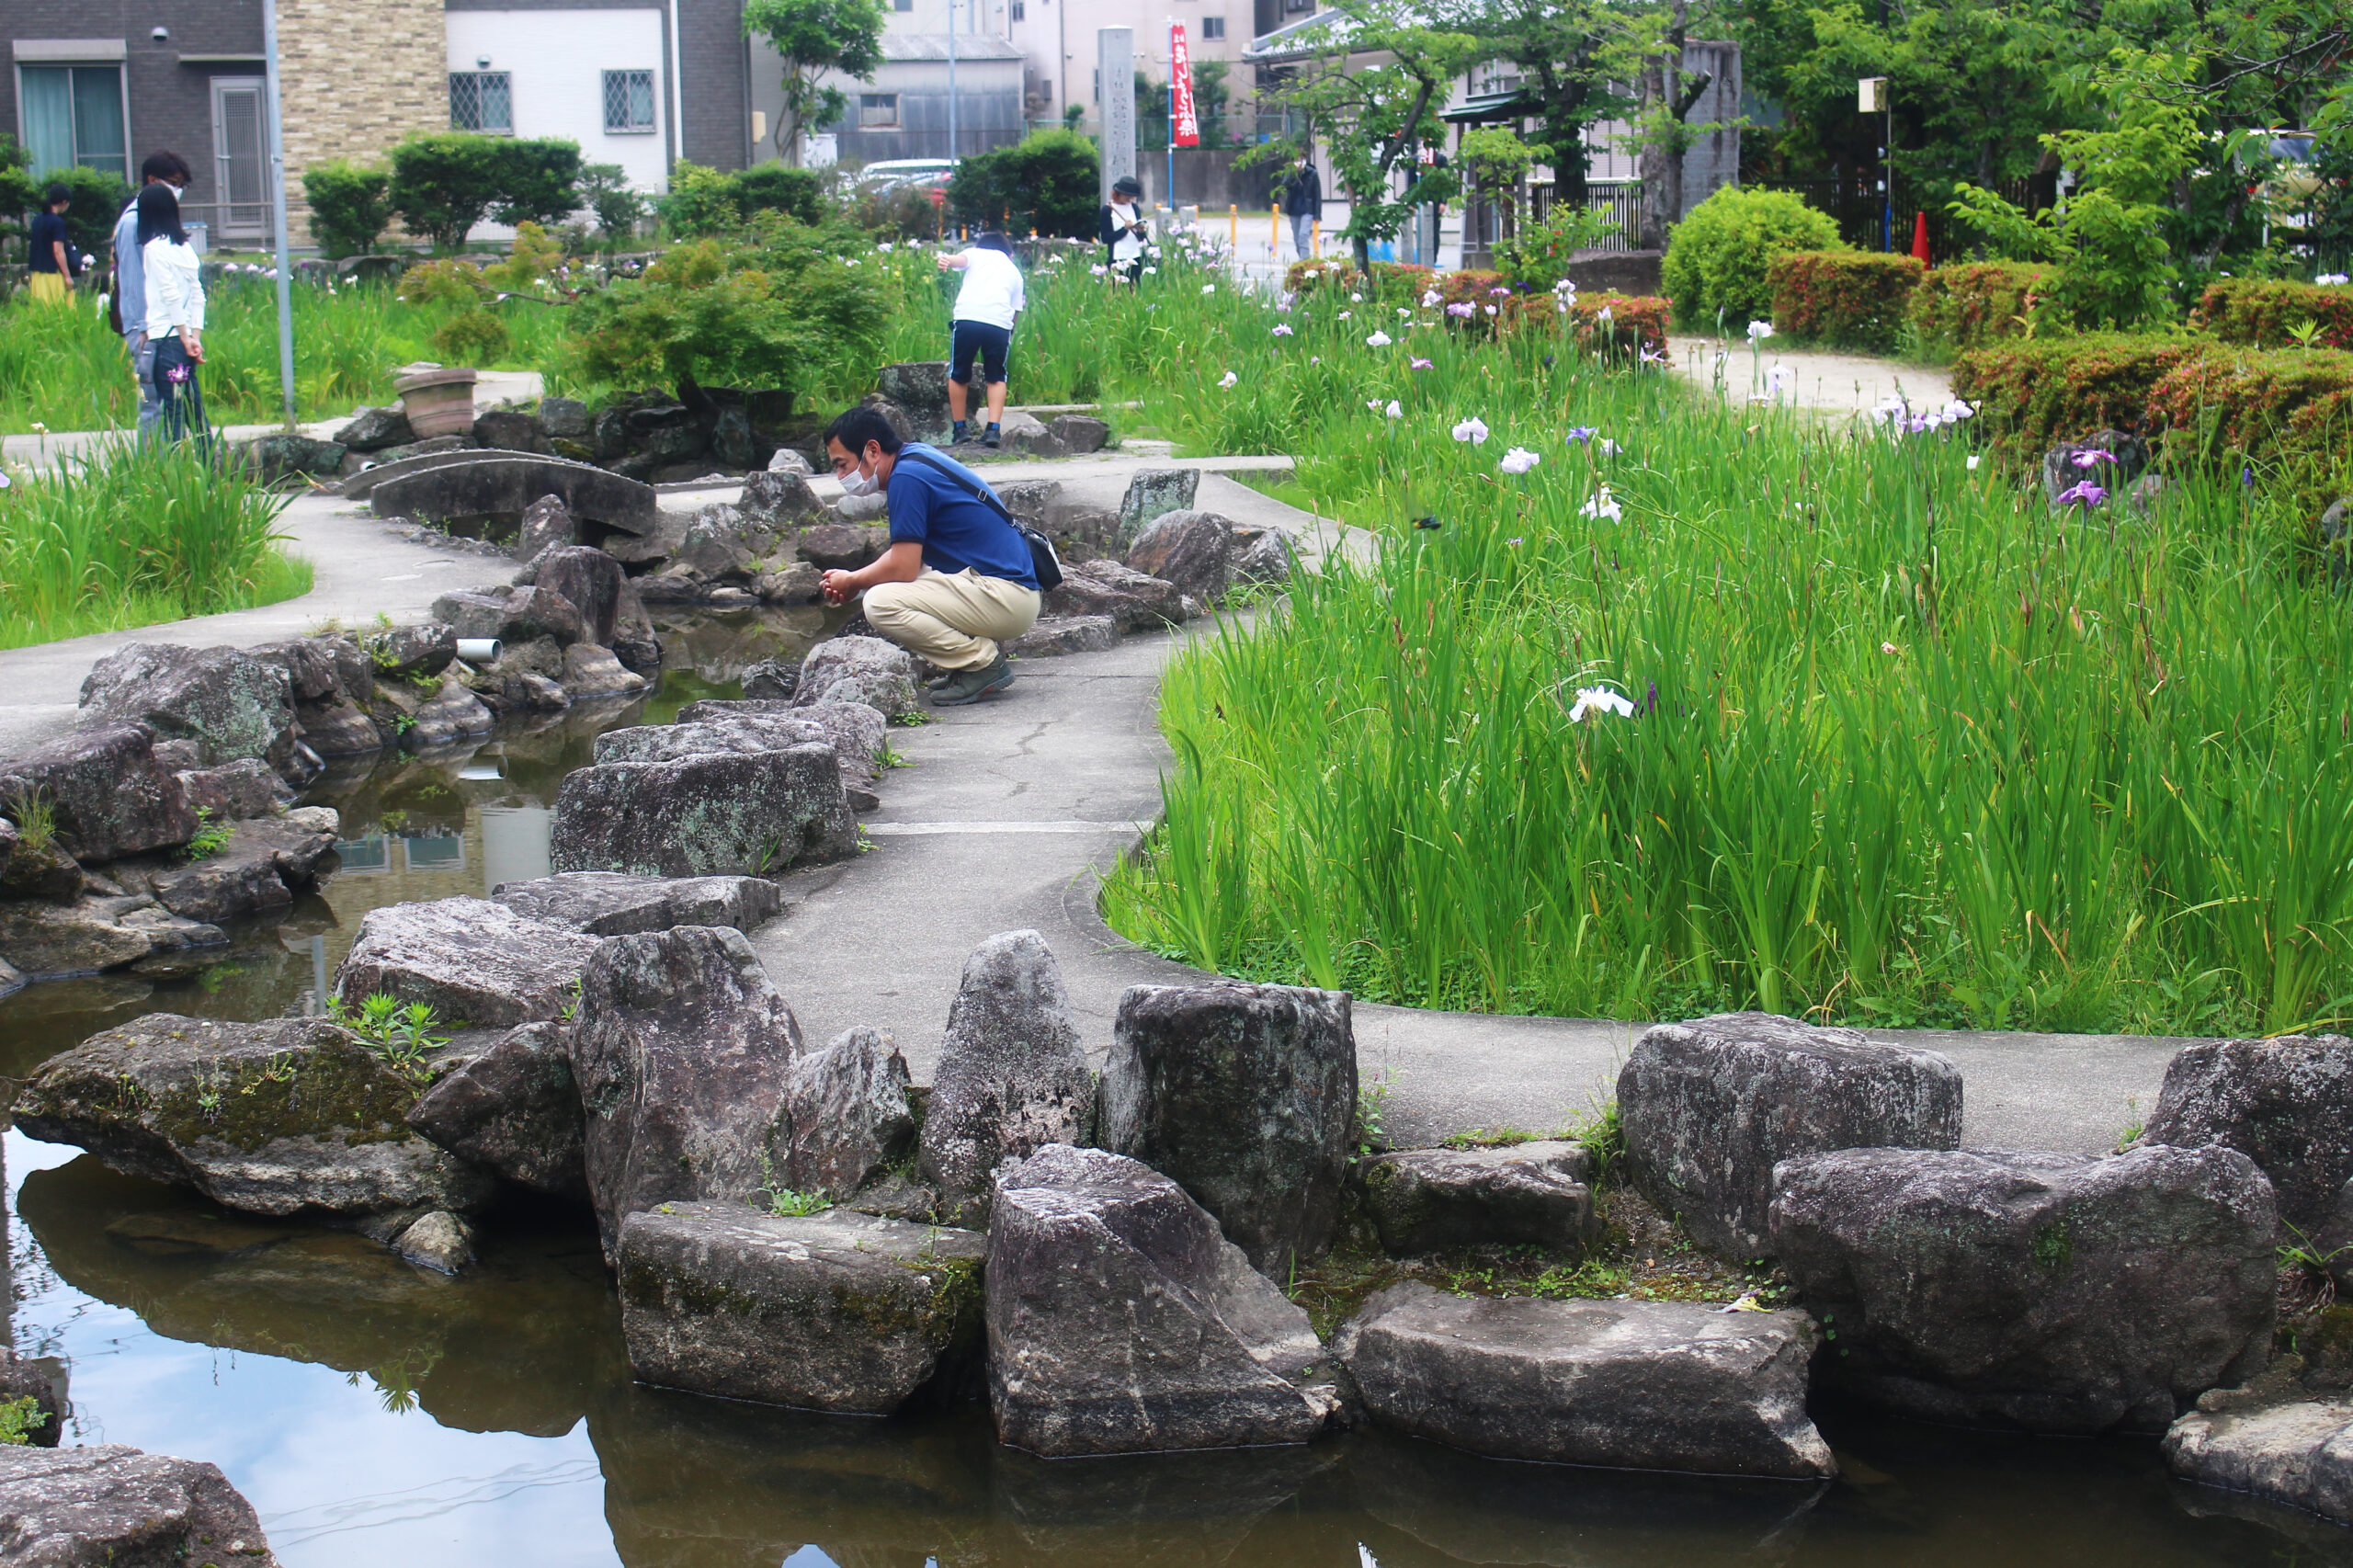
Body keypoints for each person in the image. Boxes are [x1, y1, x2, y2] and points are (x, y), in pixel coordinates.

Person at [819, 404, 1040, 706]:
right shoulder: (915, 459)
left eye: (842, 464)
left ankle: (982, 664)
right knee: (890, 585)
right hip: (1010, 591)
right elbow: (907, 555)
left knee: (880, 603)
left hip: (1007, 597)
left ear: (872, 450)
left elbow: (904, 566)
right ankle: (968, 667)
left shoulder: (907, 479)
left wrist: (855, 581)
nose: (840, 475)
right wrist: (855, 580)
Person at [112, 151, 196, 437]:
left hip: (166, 328)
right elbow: (134, 282)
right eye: (174, 183)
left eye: (182, 185)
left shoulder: (155, 216)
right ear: (152, 180)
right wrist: (143, 330)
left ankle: (171, 466)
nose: (178, 191)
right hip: (146, 329)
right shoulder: (134, 222)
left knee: (175, 401)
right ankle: (151, 470)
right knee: (153, 404)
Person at [937, 232, 1024, 448]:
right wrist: (1008, 332)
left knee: (959, 374)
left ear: (981, 246)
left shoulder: (975, 253)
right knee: (996, 376)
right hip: (999, 325)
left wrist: (948, 259)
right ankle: (993, 430)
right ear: (1009, 253)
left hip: (968, 319)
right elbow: (1016, 310)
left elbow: (960, 260)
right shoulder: (1015, 272)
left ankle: (960, 429)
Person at [137, 182, 207, 445]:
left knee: (173, 415)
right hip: (184, 343)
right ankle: (208, 472)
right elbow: (197, 295)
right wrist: (193, 337)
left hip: (165, 341)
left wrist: (182, 335)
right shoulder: (185, 248)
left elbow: (170, 295)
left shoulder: (153, 249)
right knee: (195, 413)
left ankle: (177, 474)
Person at [27, 186, 71, 305]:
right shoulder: (57, 222)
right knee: (57, 309)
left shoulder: (37, 219)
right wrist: (67, 276)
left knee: (40, 310)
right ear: (64, 202)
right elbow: (58, 251)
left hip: (37, 274)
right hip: (53, 274)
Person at [1099, 175, 1149, 282]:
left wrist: (1140, 230)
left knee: (1136, 288)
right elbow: (1106, 238)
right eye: (1126, 195)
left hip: (1135, 255)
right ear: (1117, 194)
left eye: (1131, 196)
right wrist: (1125, 229)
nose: (1129, 198)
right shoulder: (1107, 210)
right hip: (1118, 257)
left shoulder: (1134, 208)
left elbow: (1141, 238)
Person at [1279, 153, 1322, 262]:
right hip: (1294, 209)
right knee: (1297, 239)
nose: (1299, 162)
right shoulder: (1290, 173)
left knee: (1303, 235)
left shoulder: (1312, 173)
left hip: (1307, 209)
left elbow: (1317, 195)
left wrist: (1317, 215)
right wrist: (1292, 173)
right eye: (1296, 160)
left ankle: (1305, 261)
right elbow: (1285, 185)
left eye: (1301, 159)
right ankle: (1301, 258)